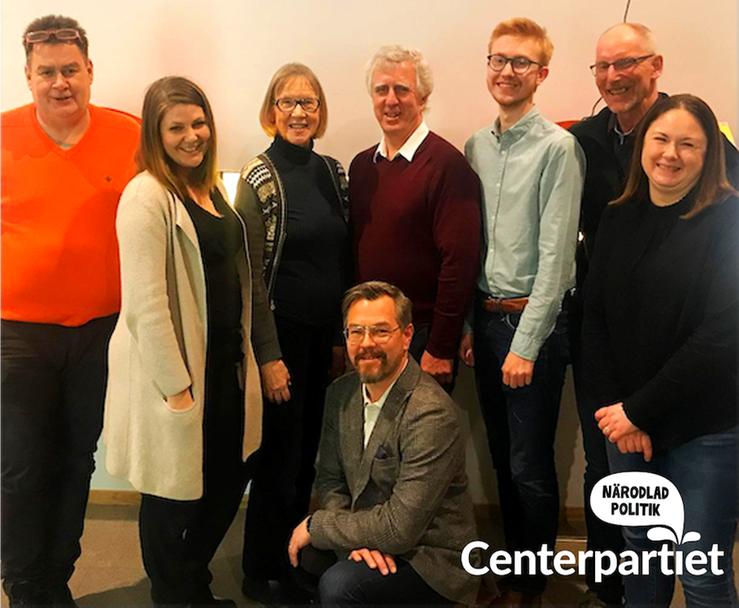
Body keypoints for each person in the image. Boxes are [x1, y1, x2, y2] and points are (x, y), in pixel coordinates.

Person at [569, 23, 739, 607]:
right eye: (660, 140)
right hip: (626, 427)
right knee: (641, 559)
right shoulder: (618, 216)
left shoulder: (729, 221)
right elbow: (595, 320)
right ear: (642, 147)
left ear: (708, 155)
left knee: (702, 570)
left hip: (705, 428)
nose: (670, 154)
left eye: (688, 144)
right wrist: (618, 413)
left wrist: (639, 410)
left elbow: (722, 336)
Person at [103, 76, 279, 606]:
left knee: (229, 476)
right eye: (175, 128)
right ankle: (174, 594)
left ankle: (190, 581)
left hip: (226, 365)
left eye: (198, 123)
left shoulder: (214, 191)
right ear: (156, 136)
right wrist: (177, 389)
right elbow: (145, 304)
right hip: (179, 376)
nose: (191, 136)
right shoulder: (146, 195)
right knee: (170, 496)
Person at [0, 14, 140, 606]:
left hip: (100, 333)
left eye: (71, 70)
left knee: (77, 458)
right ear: (28, 77)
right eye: (47, 72)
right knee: (20, 464)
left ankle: (57, 574)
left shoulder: (129, 134)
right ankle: (23, 581)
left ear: (90, 71)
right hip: (17, 335)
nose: (60, 83)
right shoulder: (2, 135)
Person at [459, 17, 583, 605]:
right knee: (500, 457)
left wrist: (525, 345)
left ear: (542, 74)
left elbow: (558, 261)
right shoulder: (475, 146)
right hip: (485, 319)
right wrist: (468, 324)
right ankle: (513, 568)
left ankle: (530, 586)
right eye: (498, 59)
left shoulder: (559, 149)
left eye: (520, 63)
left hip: (531, 324)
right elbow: (470, 244)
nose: (506, 71)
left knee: (529, 464)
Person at [286, 281, 481, 606]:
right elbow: (331, 480)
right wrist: (353, 544)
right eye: (356, 332)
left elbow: (401, 529)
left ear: (406, 336)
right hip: (370, 530)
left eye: (380, 331)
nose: (367, 344)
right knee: (304, 556)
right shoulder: (340, 394)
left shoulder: (430, 412)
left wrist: (321, 525)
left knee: (339, 585)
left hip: (430, 554)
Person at [234, 63, 350, 602]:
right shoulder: (258, 177)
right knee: (278, 459)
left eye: (309, 102)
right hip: (280, 339)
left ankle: (293, 558)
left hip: (324, 337)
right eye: (288, 102)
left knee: (309, 457)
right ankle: (260, 570)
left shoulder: (333, 172)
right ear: (271, 110)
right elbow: (250, 278)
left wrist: (340, 340)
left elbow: (341, 259)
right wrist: (268, 355)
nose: (299, 112)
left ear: (320, 111)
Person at [350, 45, 481, 388]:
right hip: (369, 335)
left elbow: (460, 262)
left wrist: (440, 346)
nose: (390, 100)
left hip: (421, 336)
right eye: (381, 90)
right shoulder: (362, 167)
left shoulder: (447, 166)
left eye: (402, 89)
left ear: (422, 98)